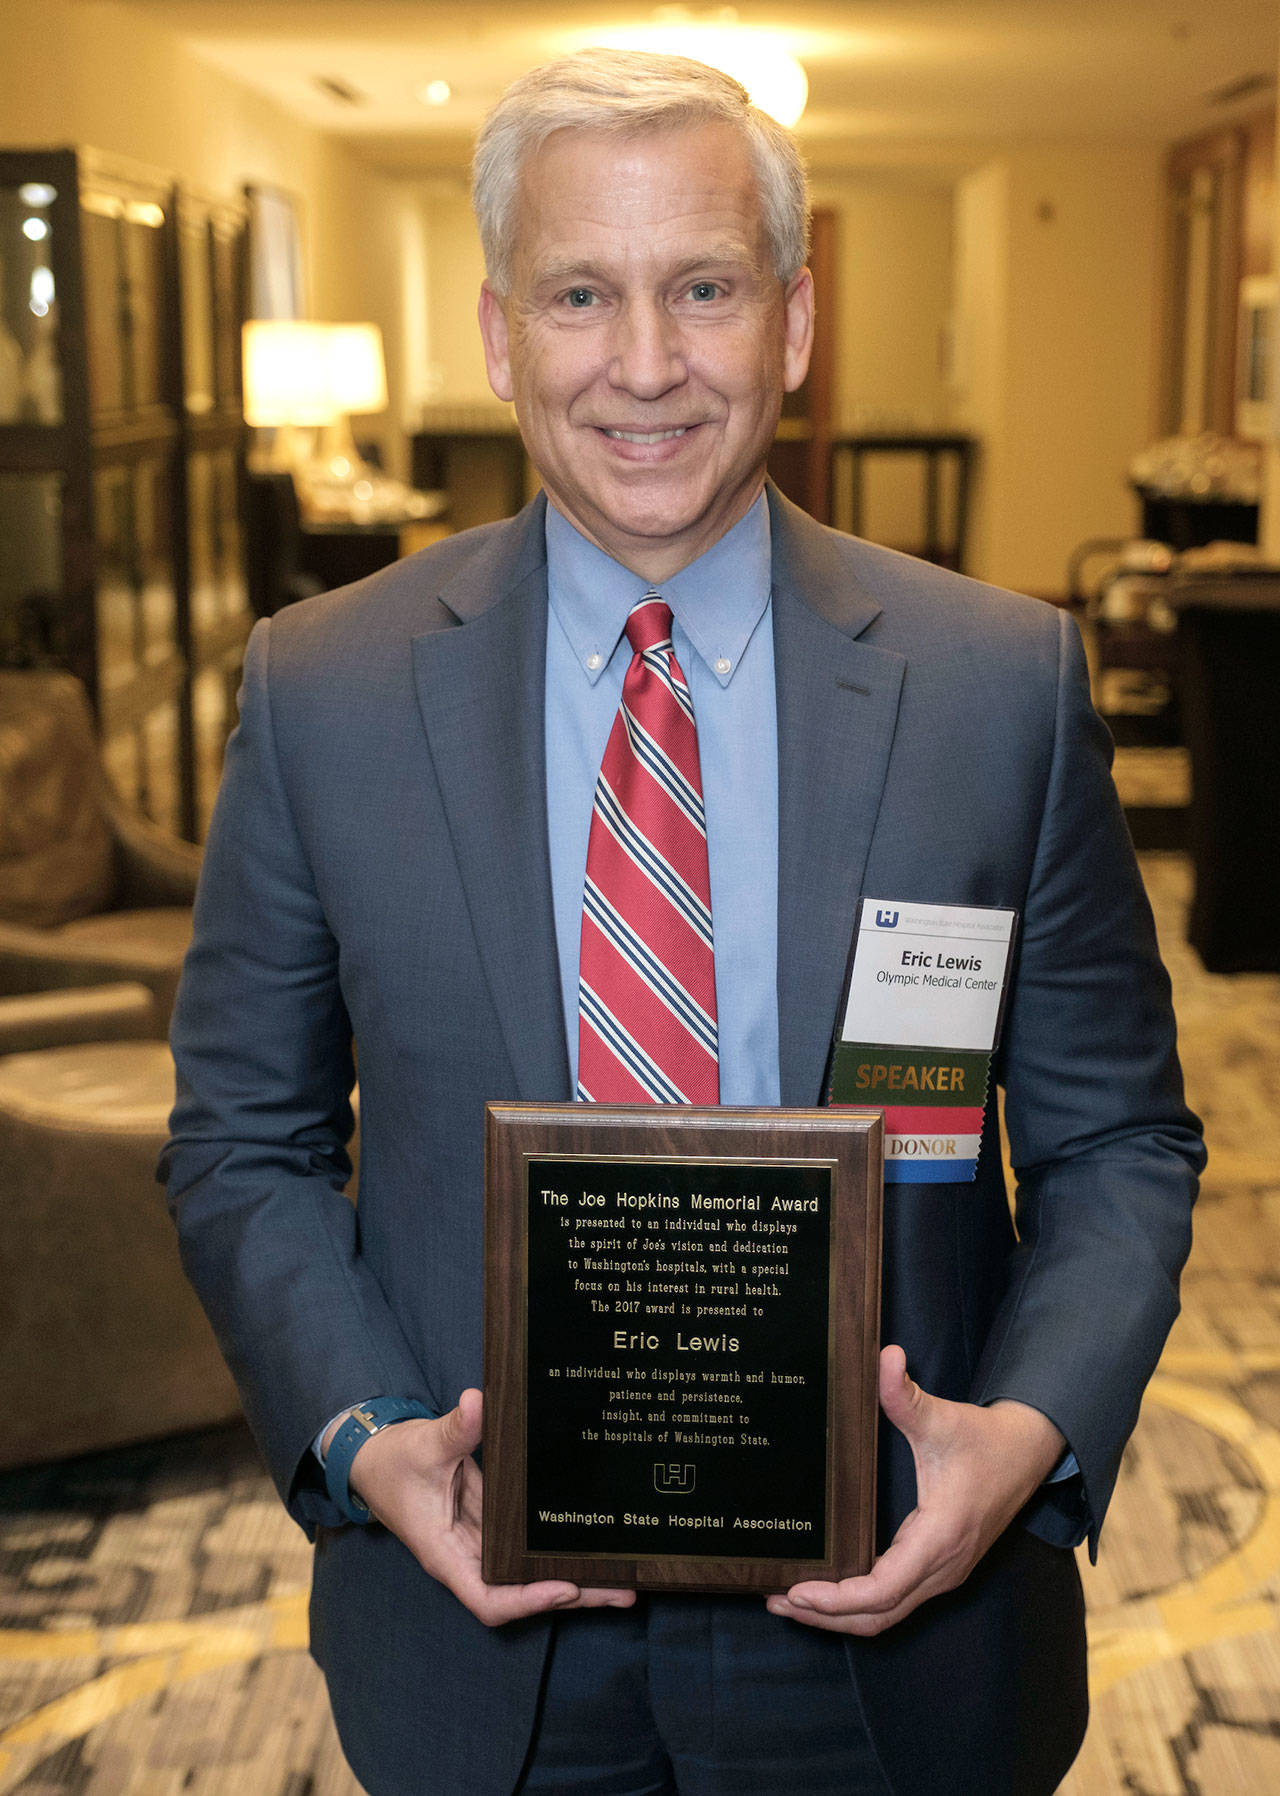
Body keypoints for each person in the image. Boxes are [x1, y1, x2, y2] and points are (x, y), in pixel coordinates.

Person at [163, 48, 1204, 1796]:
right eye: (582, 293)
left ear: (791, 323)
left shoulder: (995, 687)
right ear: (502, 335)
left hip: (901, 1628)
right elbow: (242, 1144)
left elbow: (1118, 1141)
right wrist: (366, 1439)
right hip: (483, 1633)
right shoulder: (325, 690)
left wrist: (1019, 1440)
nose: (644, 365)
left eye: (703, 288)